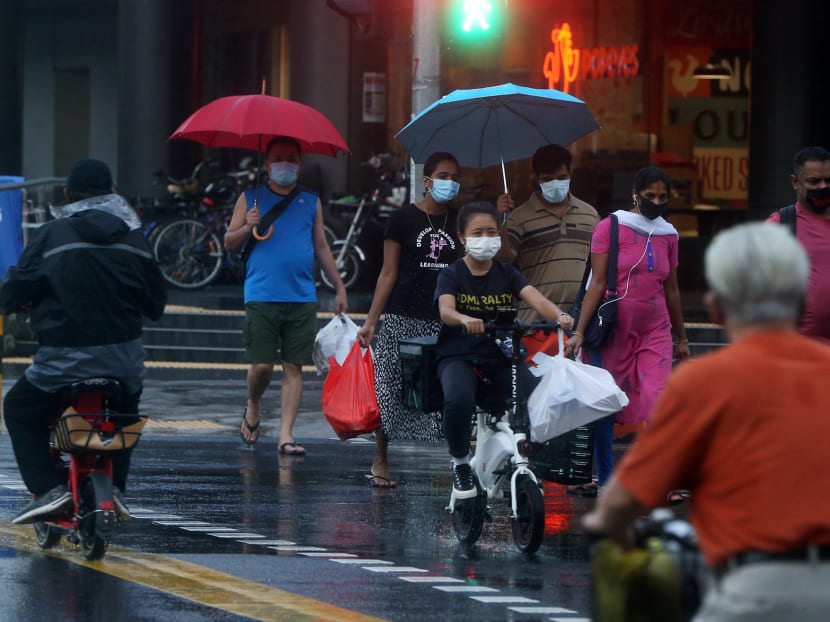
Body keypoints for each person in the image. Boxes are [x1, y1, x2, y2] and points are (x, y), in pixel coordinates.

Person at [583, 221, 830, 622]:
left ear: (715, 308)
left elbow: (623, 501)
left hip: (752, 593)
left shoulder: (702, 384)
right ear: (804, 302)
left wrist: (606, 529)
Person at [0, 158, 167, 524]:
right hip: (123, 362)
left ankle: (47, 488)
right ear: (112, 193)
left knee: (18, 408)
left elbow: (12, 293)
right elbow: (156, 304)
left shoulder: (50, 235)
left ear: (66, 194)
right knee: (125, 412)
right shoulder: (135, 239)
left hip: (62, 360)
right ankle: (116, 487)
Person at [565, 166, 691, 495]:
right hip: (614, 326)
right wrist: (578, 332)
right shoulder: (611, 227)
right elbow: (597, 283)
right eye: (650, 196)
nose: (656, 202)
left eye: (663, 197)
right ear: (635, 194)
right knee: (607, 404)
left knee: (659, 399)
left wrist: (682, 338)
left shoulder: (669, 234)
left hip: (656, 327)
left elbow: (673, 291)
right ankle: (606, 481)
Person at [434, 202, 574, 496]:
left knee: (535, 397)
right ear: (462, 237)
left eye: (492, 232)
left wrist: (558, 316)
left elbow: (535, 298)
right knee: (458, 401)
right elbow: (446, 310)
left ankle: (527, 458)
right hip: (458, 356)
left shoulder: (507, 272)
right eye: (477, 232)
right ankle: (460, 461)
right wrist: (464, 318)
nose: (486, 238)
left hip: (500, 356)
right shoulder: (452, 274)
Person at [224, 136, 348, 455]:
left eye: (291, 159)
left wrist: (339, 286)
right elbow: (229, 243)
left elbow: (321, 246)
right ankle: (253, 403)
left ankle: (286, 435)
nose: (285, 164)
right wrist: (245, 226)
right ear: (266, 164)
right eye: (278, 158)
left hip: (302, 296)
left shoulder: (310, 200)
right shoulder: (249, 198)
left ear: (300, 164)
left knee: (294, 366)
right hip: (262, 294)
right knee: (262, 365)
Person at [355, 152, 462, 487]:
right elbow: (387, 273)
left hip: (442, 317)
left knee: (446, 392)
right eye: (442, 176)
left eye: (454, 176)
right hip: (402, 314)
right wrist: (371, 321)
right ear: (427, 181)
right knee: (389, 387)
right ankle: (380, 458)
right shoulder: (402, 219)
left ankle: (456, 463)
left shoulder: (459, 221)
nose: (449, 182)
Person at [496, 144, 599, 322]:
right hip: (536, 323)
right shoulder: (519, 218)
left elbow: (601, 267)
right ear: (536, 179)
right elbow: (502, 263)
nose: (555, 184)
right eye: (548, 179)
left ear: (571, 174)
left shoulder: (590, 215)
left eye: (561, 178)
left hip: (582, 324)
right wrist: (499, 221)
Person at [767, 145, 830, 343]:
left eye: (828, 180)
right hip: (797, 350)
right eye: (814, 181)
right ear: (795, 182)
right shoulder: (780, 225)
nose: (823, 187)